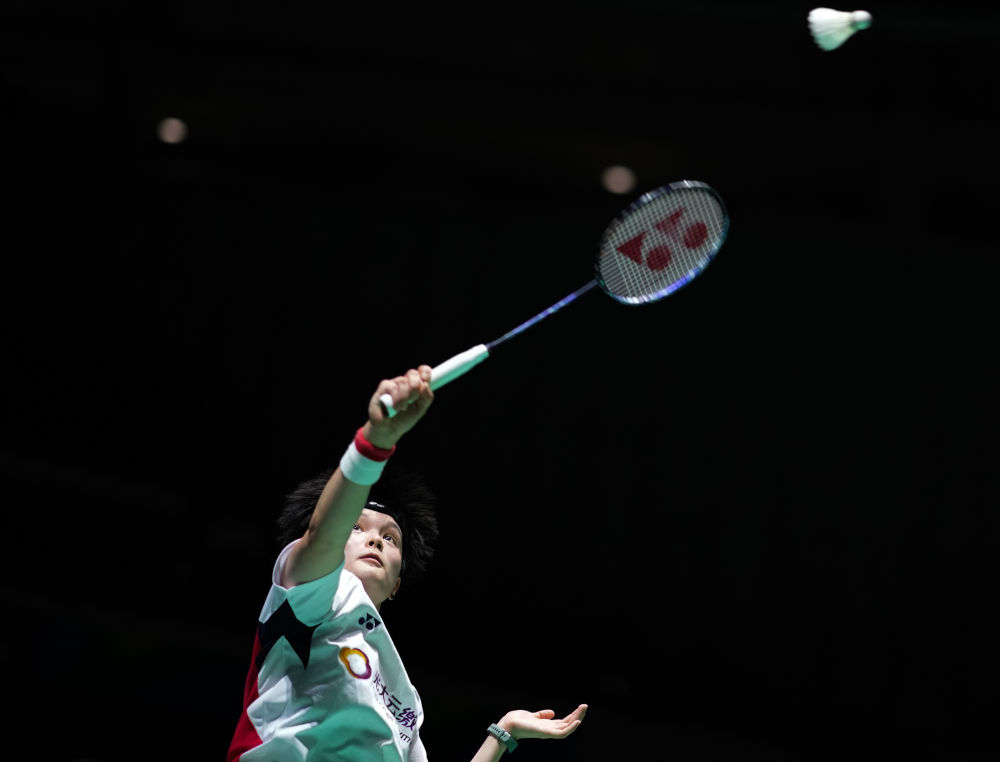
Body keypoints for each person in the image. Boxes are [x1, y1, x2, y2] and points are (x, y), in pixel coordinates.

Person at [227, 365, 588, 761]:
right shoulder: (305, 597)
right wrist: (375, 441)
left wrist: (504, 732)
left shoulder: (404, 699)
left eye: (390, 538)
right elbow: (322, 533)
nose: (374, 540)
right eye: (356, 527)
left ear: (397, 582)